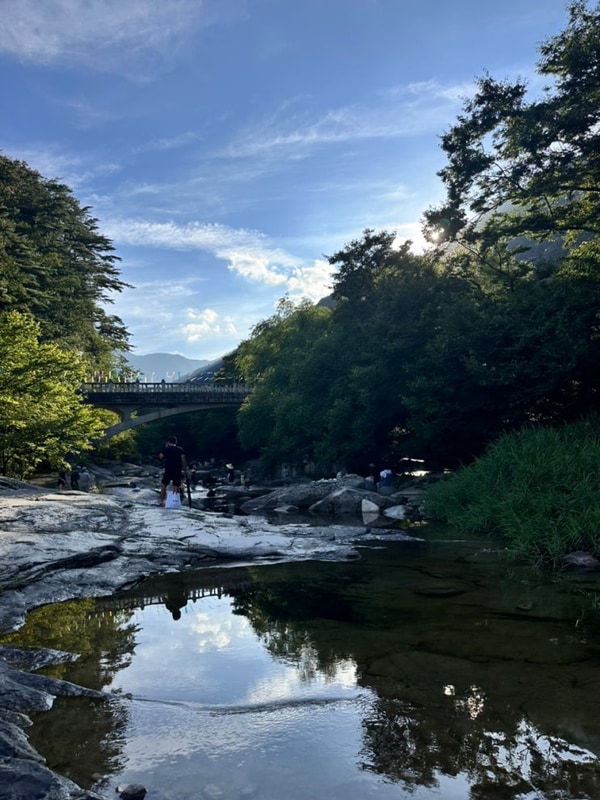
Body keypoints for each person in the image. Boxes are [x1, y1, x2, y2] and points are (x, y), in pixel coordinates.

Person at [159, 436, 187, 507]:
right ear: (176, 442)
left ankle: (162, 502)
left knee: (163, 485)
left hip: (168, 470)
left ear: (168, 442)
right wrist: (185, 469)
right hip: (177, 470)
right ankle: (174, 502)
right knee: (176, 486)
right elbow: (183, 460)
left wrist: (165, 447)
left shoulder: (166, 449)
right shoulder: (180, 449)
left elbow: (161, 457)